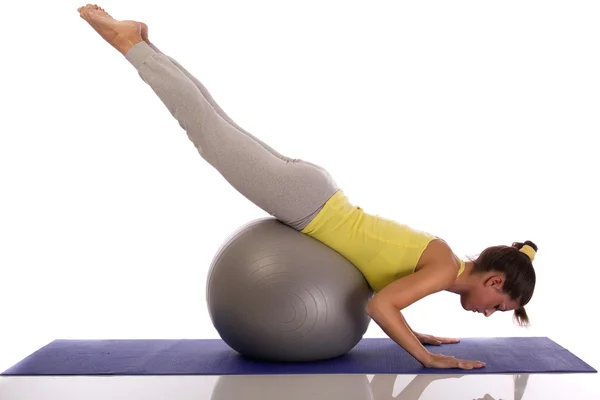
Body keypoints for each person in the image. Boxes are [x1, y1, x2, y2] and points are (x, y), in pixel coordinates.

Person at [77, 4, 537, 370]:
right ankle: (130, 45)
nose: (489, 312)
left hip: (315, 192)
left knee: (214, 121)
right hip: (306, 204)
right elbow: (379, 305)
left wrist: (415, 332)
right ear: (494, 281)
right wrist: (426, 357)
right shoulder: (441, 271)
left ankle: (142, 42)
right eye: (499, 304)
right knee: (204, 126)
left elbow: (387, 292)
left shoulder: (443, 262)